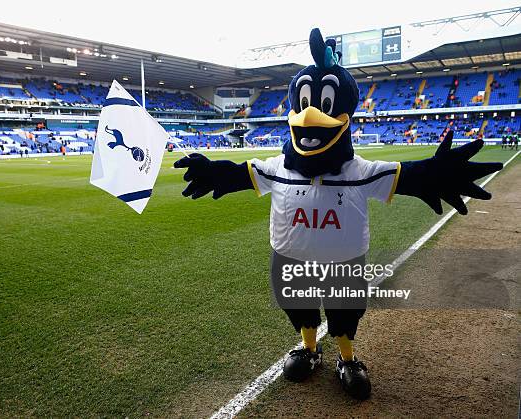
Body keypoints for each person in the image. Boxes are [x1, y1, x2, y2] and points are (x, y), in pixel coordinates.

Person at [174, 28, 503, 401]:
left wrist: (444, 172)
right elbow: (237, 174)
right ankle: (309, 348)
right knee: (296, 303)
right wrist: (209, 170)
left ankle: (347, 358)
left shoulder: (358, 172)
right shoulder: (278, 167)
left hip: (342, 262)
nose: (312, 114)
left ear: (345, 115)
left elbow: (413, 177)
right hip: (290, 259)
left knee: (345, 310)